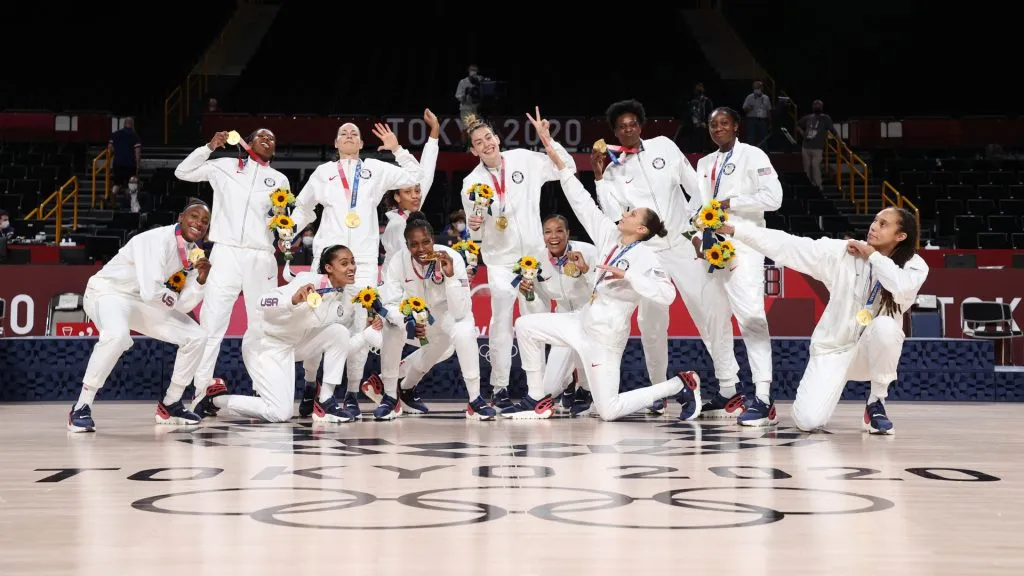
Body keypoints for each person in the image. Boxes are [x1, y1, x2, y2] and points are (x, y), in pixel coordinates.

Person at [511, 111, 701, 420]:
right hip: (579, 322)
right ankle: (536, 398)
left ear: (641, 229)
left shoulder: (646, 257)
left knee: (608, 411)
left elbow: (666, 295)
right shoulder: (608, 235)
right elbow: (578, 196)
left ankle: (677, 385)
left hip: (605, 339)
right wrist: (549, 142)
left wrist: (628, 276)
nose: (625, 213)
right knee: (524, 326)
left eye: (633, 213)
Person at [716, 207, 927, 434]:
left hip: (869, 352)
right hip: (833, 349)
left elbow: (901, 287)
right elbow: (789, 245)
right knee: (807, 421)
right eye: (875, 221)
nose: (874, 226)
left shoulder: (914, 266)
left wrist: (872, 256)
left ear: (901, 236)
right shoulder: (844, 253)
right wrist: (735, 230)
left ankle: (876, 403)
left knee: (886, 327)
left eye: (884, 224)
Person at [592, 98, 727, 418]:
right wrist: (598, 177)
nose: (628, 130)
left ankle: (728, 388)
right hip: (647, 253)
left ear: (641, 125)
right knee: (650, 325)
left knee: (708, 313)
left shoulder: (664, 146)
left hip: (681, 244)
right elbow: (613, 214)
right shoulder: (612, 168)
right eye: (621, 127)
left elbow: (694, 185)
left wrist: (699, 227)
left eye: (633, 124)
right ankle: (658, 391)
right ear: (615, 131)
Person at [289, 118, 424, 420]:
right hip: (326, 259)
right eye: (342, 133)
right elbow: (304, 208)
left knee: (359, 326)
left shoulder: (375, 169)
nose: (349, 135)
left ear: (362, 144)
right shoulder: (324, 173)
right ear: (335, 144)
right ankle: (311, 385)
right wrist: (288, 230)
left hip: (360, 260)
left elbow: (417, 175)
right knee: (314, 322)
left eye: (354, 133)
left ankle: (350, 392)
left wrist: (397, 149)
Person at [460, 107, 575, 413]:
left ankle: (540, 387)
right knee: (502, 322)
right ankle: (499, 386)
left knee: (535, 318)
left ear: (497, 138)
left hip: (534, 258)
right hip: (499, 262)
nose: (487, 144)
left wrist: (548, 140)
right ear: (473, 151)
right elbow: (476, 235)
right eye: (479, 142)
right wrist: (475, 225)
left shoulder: (524, 158)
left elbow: (567, 167)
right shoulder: (471, 183)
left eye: (489, 137)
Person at [194, 245, 383, 423]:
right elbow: (261, 301)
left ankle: (325, 400)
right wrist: (292, 299)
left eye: (352, 262)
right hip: (266, 343)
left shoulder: (349, 296)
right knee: (279, 413)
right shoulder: (307, 280)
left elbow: (343, 347)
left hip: (295, 345)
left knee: (338, 332)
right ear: (328, 268)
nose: (352, 268)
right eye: (344, 263)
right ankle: (216, 399)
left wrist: (368, 332)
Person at [68, 201, 213, 432]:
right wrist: (172, 297)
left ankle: (171, 404)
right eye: (194, 217)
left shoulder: (194, 255)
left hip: (142, 303)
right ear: (181, 217)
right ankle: (81, 406)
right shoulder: (156, 240)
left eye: (205, 221)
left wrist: (201, 280)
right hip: (108, 292)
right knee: (116, 336)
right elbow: (152, 291)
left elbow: (184, 306)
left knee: (196, 336)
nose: (199, 224)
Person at [174, 128, 290, 412]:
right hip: (225, 252)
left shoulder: (281, 180)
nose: (268, 140)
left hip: (261, 255)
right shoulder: (224, 166)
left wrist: (284, 229)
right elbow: (182, 172)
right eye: (262, 136)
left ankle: (263, 392)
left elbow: (283, 221)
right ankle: (201, 393)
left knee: (261, 325)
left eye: (273, 138)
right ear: (247, 143)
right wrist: (209, 147)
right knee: (212, 324)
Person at [687, 107, 782, 426]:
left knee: (752, 316)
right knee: (714, 318)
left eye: (724, 123)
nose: (718, 129)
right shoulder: (703, 163)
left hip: (744, 242)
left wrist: (730, 202)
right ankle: (729, 391)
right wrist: (695, 239)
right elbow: (695, 209)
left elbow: (774, 198)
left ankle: (764, 397)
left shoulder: (754, 156)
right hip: (711, 246)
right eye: (713, 125)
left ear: (736, 126)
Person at [370, 214, 498, 420]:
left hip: (446, 317)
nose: (421, 249)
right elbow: (391, 304)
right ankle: (390, 397)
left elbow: (460, 311)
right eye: (414, 244)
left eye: (426, 242)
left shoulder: (452, 257)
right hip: (414, 320)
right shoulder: (397, 262)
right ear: (407, 244)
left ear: (433, 239)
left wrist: (450, 278)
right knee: (391, 326)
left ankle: (475, 400)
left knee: (464, 330)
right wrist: (409, 321)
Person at [517, 214, 598, 415]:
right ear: (542, 236)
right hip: (563, 319)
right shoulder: (535, 260)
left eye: (559, 230)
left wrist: (586, 271)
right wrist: (530, 294)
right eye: (548, 232)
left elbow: (603, 289)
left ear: (568, 233)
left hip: (591, 316)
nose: (554, 236)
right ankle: (569, 383)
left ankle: (586, 390)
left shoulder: (588, 251)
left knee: (586, 353)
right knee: (549, 389)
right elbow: (541, 305)